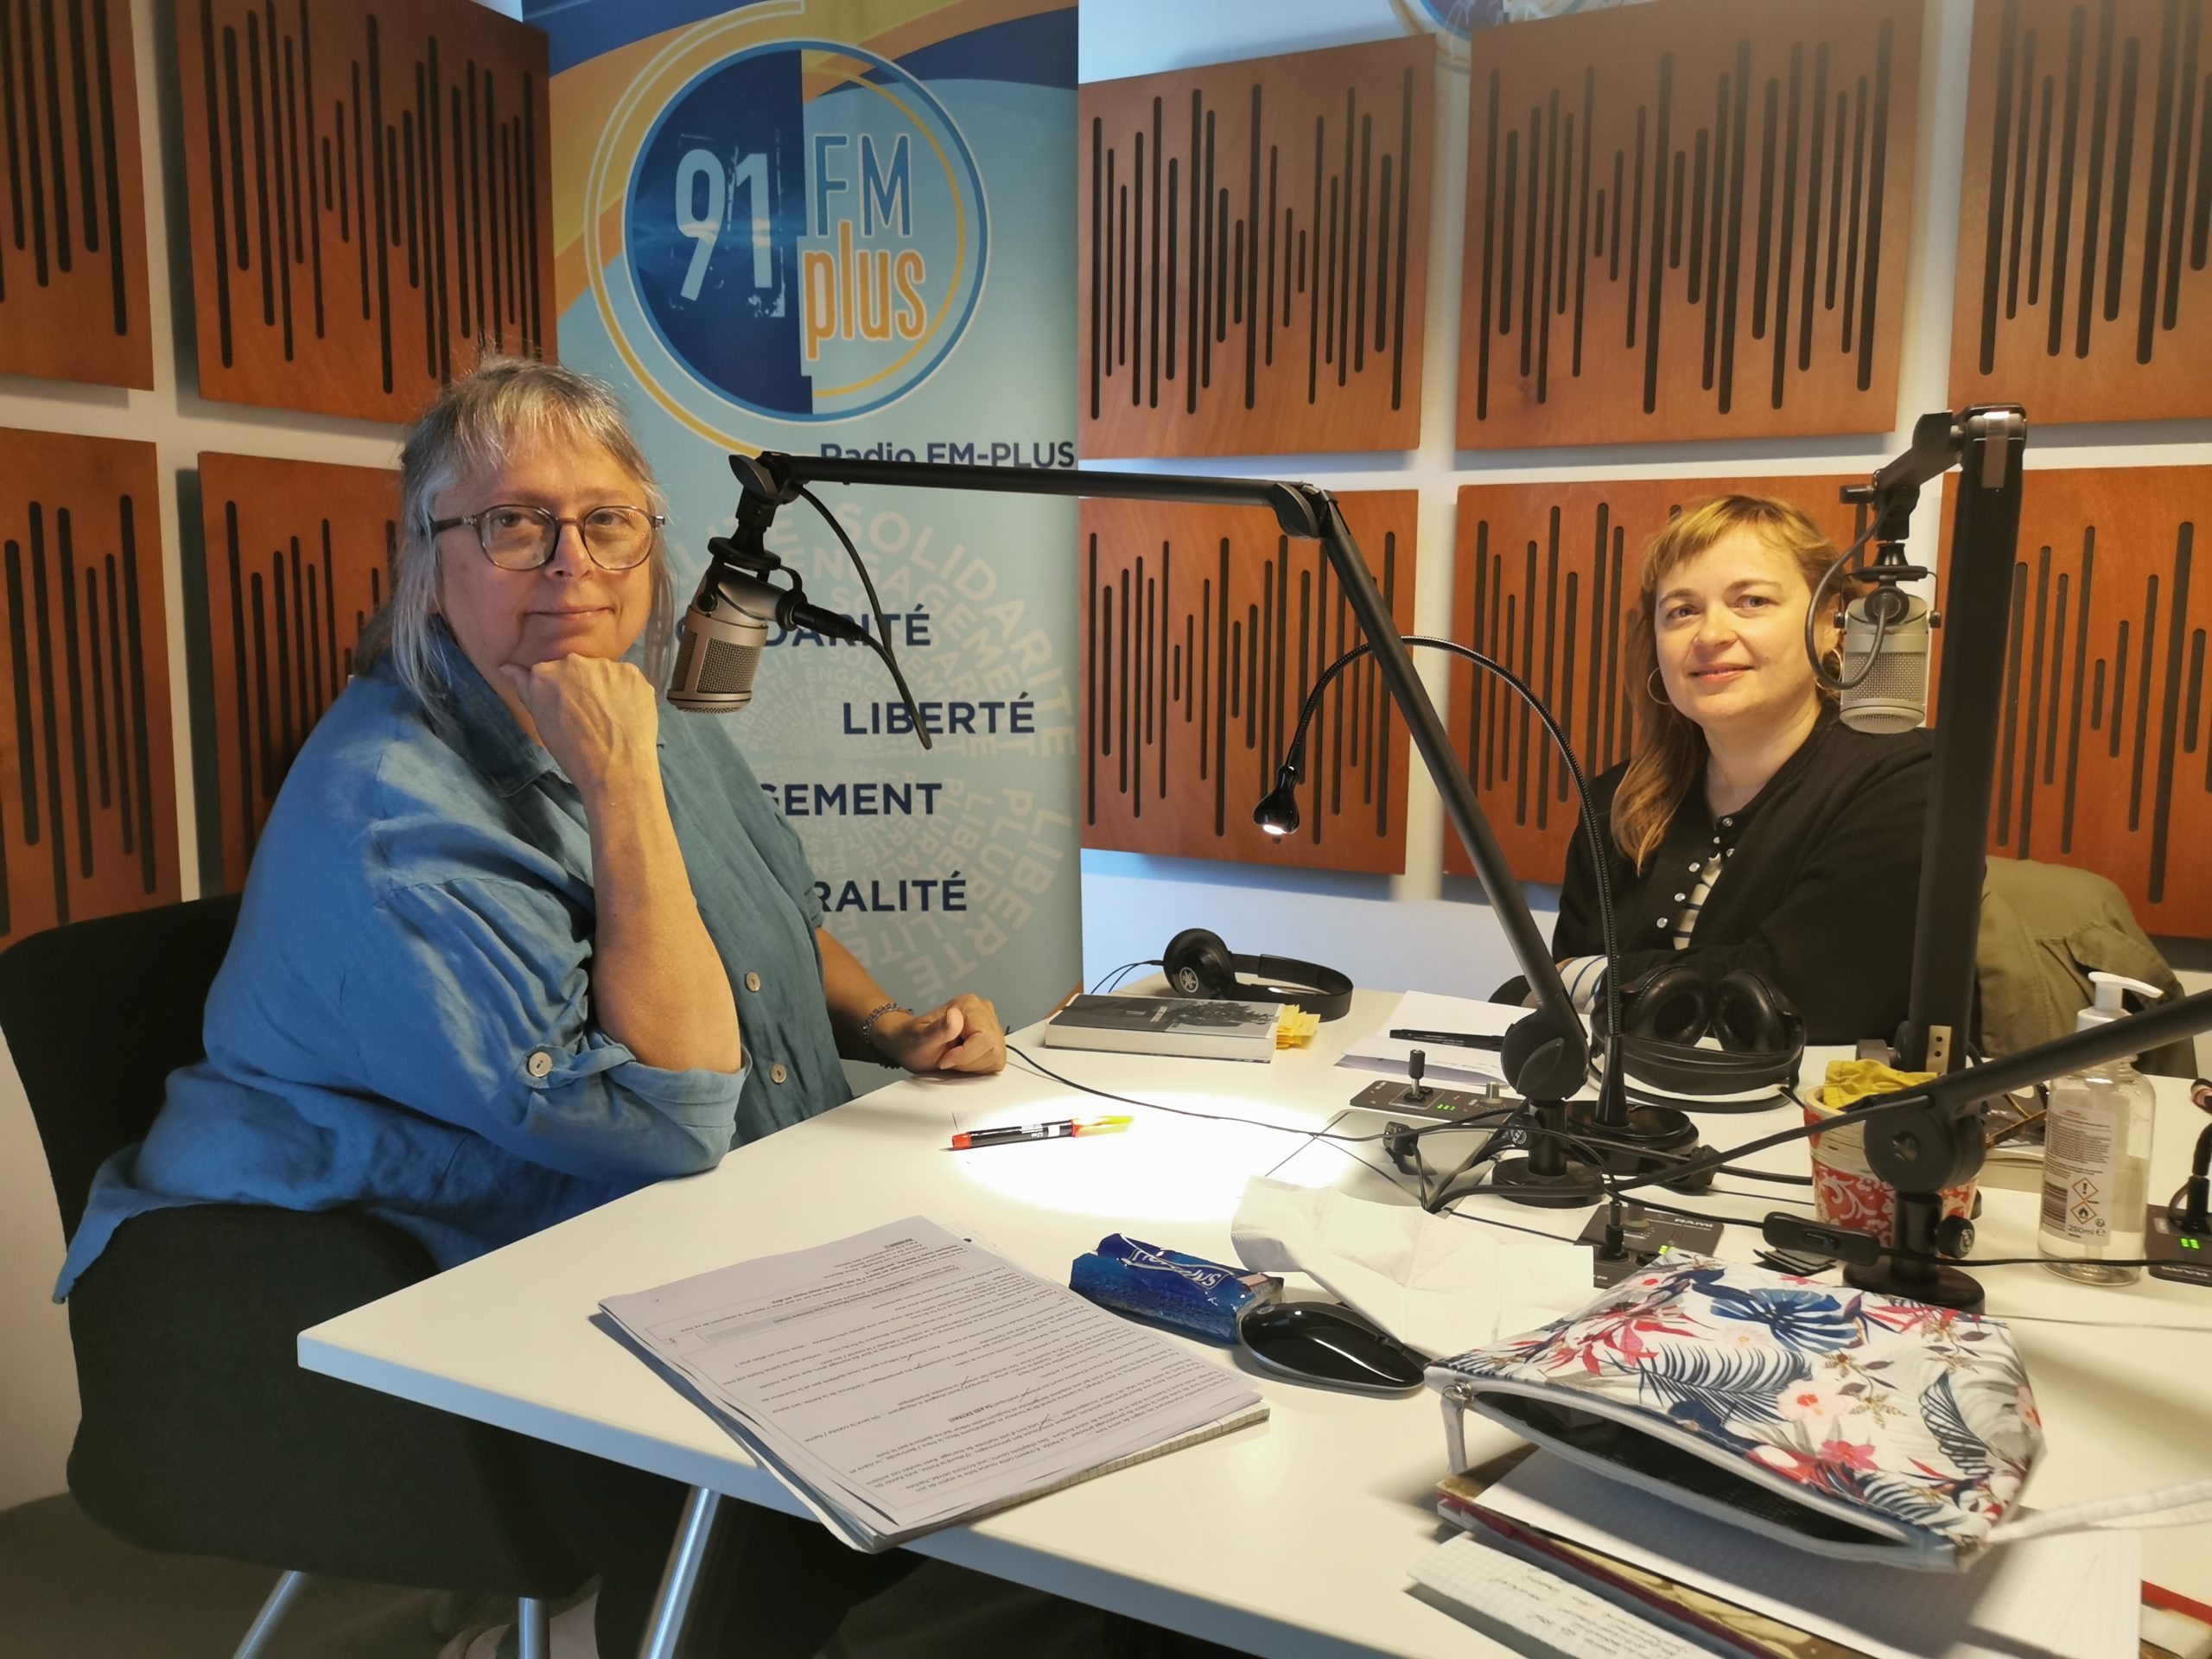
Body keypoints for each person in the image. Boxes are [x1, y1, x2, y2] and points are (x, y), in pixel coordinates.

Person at [53, 356, 1009, 1656]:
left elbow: (760, 928)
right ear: (428, 558)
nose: (573, 565)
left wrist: (887, 1026)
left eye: (607, 521)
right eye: (514, 524)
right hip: (403, 1292)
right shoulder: (398, 821)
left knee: (1003, 1346)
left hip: (657, 1217)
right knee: (855, 1458)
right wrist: (620, 791)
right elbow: (670, 1111)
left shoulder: (624, 705)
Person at [1552, 495, 1930, 1046]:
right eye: (1682, 611)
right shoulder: (1617, 800)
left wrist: (1594, 980)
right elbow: (1557, 1001)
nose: (1710, 635)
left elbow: (1806, 996)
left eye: (1751, 601)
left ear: (1832, 624)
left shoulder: (1906, 779)